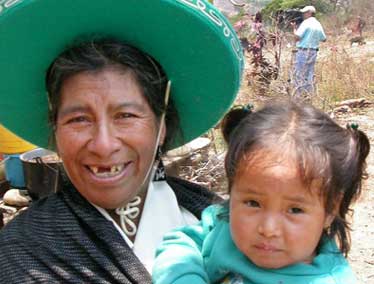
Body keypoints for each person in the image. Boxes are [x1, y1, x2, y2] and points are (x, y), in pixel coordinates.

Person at [0, 0, 243, 283]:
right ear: (55, 130)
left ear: (161, 126)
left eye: (126, 115)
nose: (104, 145)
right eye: (78, 119)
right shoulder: (22, 255)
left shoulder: (221, 220)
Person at [153, 100, 370, 284]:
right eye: (253, 203)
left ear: (330, 211)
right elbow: (180, 245)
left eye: (294, 210)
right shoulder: (221, 225)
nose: (268, 229)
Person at [291, 5, 326, 97]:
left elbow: (297, 37)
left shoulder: (306, 23)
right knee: (309, 74)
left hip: (303, 50)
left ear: (309, 13)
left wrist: (294, 28)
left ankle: (298, 96)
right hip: (313, 51)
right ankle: (309, 95)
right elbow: (323, 38)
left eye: (304, 13)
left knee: (299, 74)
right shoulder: (318, 24)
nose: (303, 15)